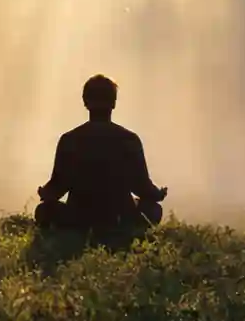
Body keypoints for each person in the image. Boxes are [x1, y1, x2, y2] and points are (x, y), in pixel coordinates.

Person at [34, 74, 168, 232]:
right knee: (154, 209)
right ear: (113, 103)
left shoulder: (70, 139)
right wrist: (157, 194)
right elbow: (141, 186)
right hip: (119, 217)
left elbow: (57, 187)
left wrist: (45, 192)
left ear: (85, 102)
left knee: (43, 211)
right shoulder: (129, 139)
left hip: (78, 218)